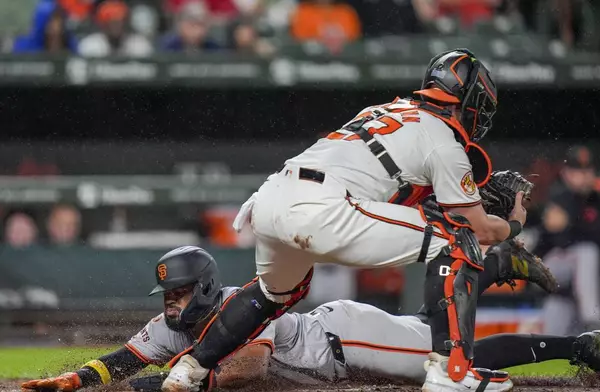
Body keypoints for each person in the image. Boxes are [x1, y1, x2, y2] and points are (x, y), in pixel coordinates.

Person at [159, 48, 538, 392]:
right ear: (468, 99)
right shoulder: (444, 141)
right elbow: (481, 228)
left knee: (272, 293)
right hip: (321, 205)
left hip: (272, 195)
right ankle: (452, 371)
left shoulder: (384, 109)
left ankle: (190, 369)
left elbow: (391, 182)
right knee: (457, 240)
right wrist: (515, 223)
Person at [20, 246, 600, 392]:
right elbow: (127, 357)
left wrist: (162, 385)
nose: (170, 306)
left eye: (177, 295)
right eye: (167, 298)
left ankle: (579, 344)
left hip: (341, 339)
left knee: (453, 363)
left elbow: (248, 364)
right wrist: (75, 381)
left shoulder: (238, 307)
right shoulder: (178, 327)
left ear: (202, 289)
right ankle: (477, 269)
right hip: (332, 351)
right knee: (434, 334)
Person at [537, 146, 600, 335]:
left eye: (587, 170)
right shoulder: (558, 197)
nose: (583, 176)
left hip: (567, 293)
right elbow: (563, 242)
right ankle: (592, 319)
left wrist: (573, 226)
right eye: (577, 171)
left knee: (554, 341)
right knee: (586, 252)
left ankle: (590, 324)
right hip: (551, 268)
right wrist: (593, 232)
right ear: (566, 174)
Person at [78, 0, 153, 58]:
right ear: (103, 25)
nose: (116, 27)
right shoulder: (90, 45)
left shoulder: (140, 45)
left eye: (120, 22)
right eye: (112, 22)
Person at [13, 0, 78, 54]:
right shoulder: (24, 49)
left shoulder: (72, 47)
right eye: (50, 23)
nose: (56, 29)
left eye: (59, 23)